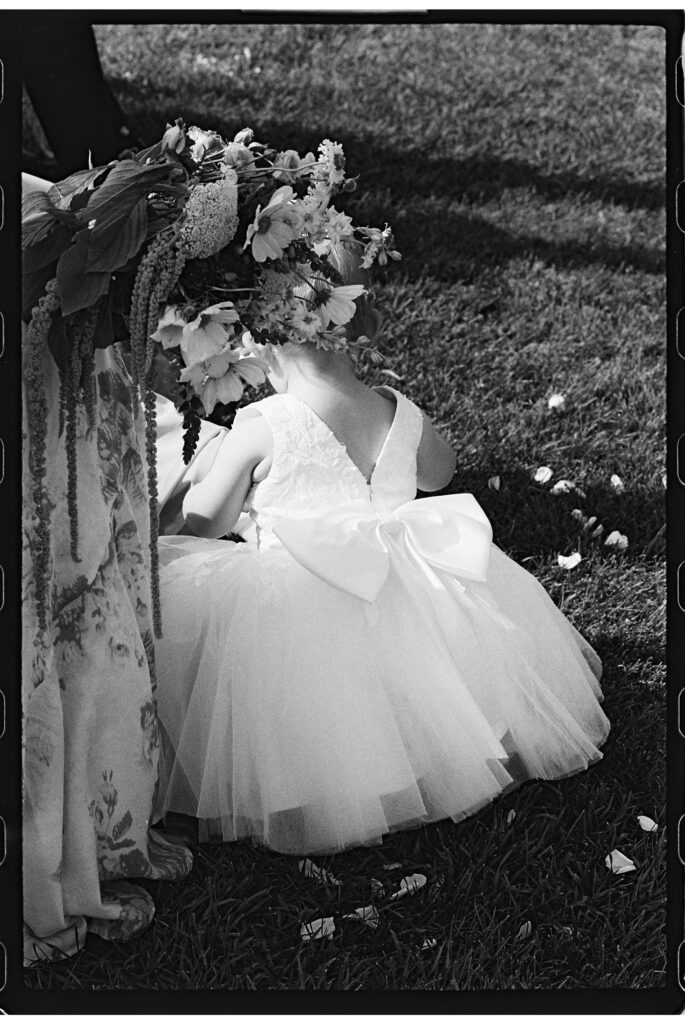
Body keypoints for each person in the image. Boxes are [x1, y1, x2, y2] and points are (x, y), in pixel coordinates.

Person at [152, 246, 610, 857]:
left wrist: (202, 470)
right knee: (414, 674)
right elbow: (440, 473)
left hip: (299, 602)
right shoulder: (396, 409)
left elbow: (204, 525)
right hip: (406, 583)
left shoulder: (264, 423)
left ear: (260, 343)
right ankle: (433, 756)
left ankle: (330, 781)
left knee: (200, 619)